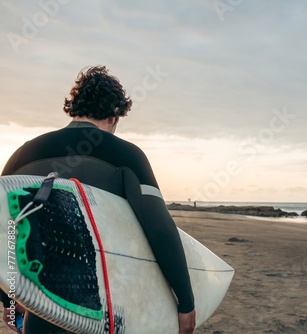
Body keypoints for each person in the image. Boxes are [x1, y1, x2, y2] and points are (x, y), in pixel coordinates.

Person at [0, 66, 196, 333]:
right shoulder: (127, 156)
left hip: (44, 311)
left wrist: (10, 299)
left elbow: (6, 229)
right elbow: (160, 229)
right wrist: (186, 302)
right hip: (107, 311)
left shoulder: (24, 154)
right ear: (115, 114)